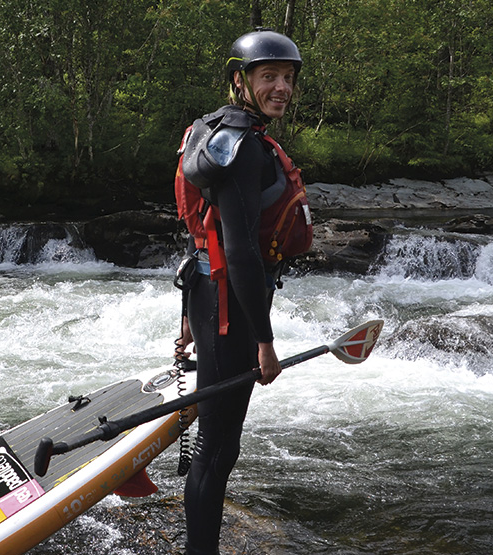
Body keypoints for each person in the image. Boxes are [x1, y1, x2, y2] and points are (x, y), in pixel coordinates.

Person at [174, 28, 302, 555]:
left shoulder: (215, 132)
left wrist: (188, 314)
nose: (281, 88)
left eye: (288, 78)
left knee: (215, 441)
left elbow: (199, 234)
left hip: (209, 294)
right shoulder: (244, 148)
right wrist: (265, 341)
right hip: (232, 306)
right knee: (217, 446)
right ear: (240, 80)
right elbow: (243, 253)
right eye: (268, 76)